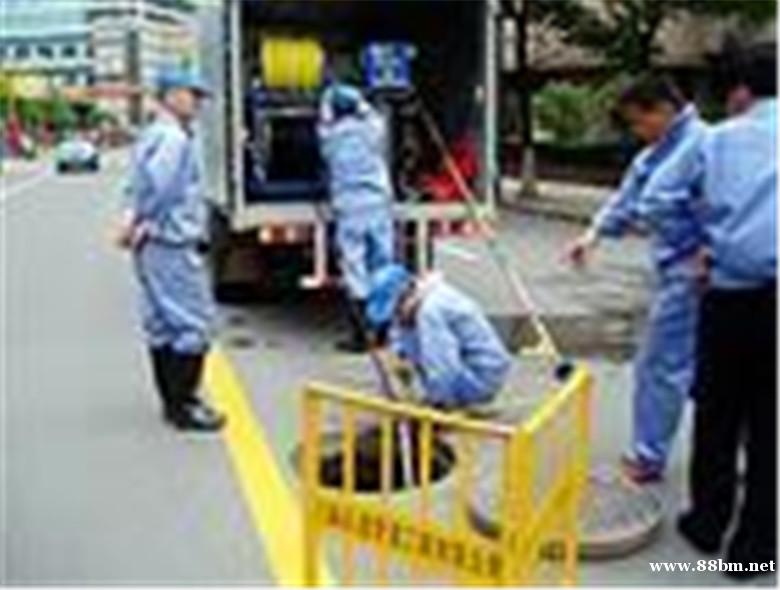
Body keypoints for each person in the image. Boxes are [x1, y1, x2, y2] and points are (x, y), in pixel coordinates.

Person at [636, 43, 776, 577]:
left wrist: (694, 245)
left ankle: (707, 523)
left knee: (718, 415)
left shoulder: (715, 140)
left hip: (728, 295)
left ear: (740, 91)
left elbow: (656, 200)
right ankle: (756, 551)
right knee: (771, 427)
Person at [564, 75, 708, 483]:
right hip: (674, 272)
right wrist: (591, 236)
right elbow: (625, 201)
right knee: (697, 367)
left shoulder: (706, 146)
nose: (636, 131)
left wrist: (712, 249)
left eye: (639, 122)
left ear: (664, 110)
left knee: (661, 364)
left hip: (698, 273)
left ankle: (648, 456)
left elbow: (731, 205)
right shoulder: (653, 155)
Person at [115, 67, 226, 432]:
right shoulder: (174, 139)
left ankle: (172, 403)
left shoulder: (152, 134)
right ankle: (185, 406)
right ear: (172, 95)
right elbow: (159, 190)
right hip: (171, 242)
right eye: (192, 95)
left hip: (154, 243)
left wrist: (131, 221)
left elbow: (136, 186)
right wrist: (139, 221)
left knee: (161, 325)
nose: (197, 103)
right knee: (195, 325)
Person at [365, 264, 512, 410]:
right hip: (477, 366)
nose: (397, 317)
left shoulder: (430, 311)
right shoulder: (421, 299)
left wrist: (434, 406)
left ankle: (449, 402)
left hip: (481, 376)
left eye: (396, 311)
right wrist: (398, 357)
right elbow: (399, 333)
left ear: (406, 294)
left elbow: (443, 366)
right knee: (407, 335)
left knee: (437, 383)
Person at [318, 84, 395, 353]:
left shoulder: (330, 137)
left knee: (354, 266)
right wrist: (362, 102)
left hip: (350, 208)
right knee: (382, 264)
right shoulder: (373, 130)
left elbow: (323, 122)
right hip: (377, 205)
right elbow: (375, 115)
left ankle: (361, 335)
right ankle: (384, 330)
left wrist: (326, 98)